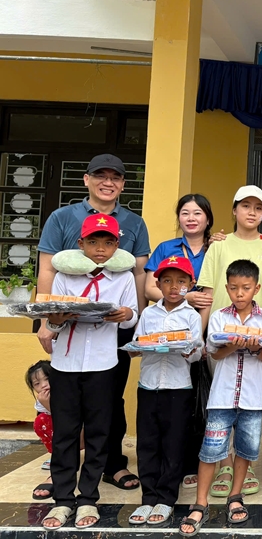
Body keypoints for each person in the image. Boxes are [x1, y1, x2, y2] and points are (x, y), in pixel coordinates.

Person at [36, 154, 150, 493]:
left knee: (110, 399)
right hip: (67, 327)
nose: (108, 182)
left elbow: (139, 273)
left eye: (116, 177)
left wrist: (136, 324)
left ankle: (111, 464)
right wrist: (45, 321)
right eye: (100, 175)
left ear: (123, 184)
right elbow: (47, 268)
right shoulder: (62, 217)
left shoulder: (134, 223)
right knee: (67, 405)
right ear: (86, 179)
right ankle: (61, 473)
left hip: (115, 326)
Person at [41, 214, 139, 530]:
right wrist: (57, 318)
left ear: (116, 246)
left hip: (102, 365)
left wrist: (125, 313)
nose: (100, 249)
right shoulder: (63, 277)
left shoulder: (123, 278)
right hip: (65, 364)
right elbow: (54, 320)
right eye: (93, 242)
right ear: (80, 243)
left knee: (98, 433)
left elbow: (131, 316)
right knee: (65, 433)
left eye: (107, 243)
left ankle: (87, 499)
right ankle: (62, 500)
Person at [197, 185, 262, 497]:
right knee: (222, 401)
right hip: (222, 335)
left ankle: (242, 468)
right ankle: (224, 465)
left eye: (258, 208)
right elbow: (208, 293)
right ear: (234, 210)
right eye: (245, 206)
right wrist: (200, 336)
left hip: (259, 335)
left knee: (249, 402)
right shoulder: (218, 246)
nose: (252, 212)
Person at [179, 260, 262, 536]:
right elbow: (214, 352)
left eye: (246, 288)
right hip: (222, 396)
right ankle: (200, 503)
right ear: (227, 288)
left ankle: (235, 497)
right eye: (234, 288)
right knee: (211, 450)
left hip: (253, 398)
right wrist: (234, 344)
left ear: (256, 288)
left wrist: (256, 348)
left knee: (245, 450)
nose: (239, 293)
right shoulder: (219, 317)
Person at [144, 193, 215, 490]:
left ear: (208, 219)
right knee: (174, 399)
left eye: (197, 213)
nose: (191, 218)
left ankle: (198, 461)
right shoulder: (166, 248)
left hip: (208, 329)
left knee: (203, 397)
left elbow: (218, 289)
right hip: (169, 328)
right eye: (185, 213)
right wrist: (186, 297)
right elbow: (149, 288)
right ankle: (170, 462)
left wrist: (198, 334)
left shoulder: (217, 247)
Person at [128, 256, 203, 527]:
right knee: (147, 443)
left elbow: (198, 351)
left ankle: (167, 498)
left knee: (174, 443)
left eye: (181, 281)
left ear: (190, 285)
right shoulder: (149, 314)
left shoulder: (192, 316)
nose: (174, 286)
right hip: (148, 386)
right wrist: (137, 347)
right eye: (167, 281)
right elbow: (137, 343)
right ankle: (148, 497)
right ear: (158, 284)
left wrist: (189, 351)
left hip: (178, 387)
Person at [28, 360, 55, 501]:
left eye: (47, 378)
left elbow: (69, 420)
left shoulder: (69, 392)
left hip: (80, 433)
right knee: (40, 421)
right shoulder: (42, 399)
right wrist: (47, 404)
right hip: (60, 435)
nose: (43, 385)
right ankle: (56, 456)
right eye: (37, 383)